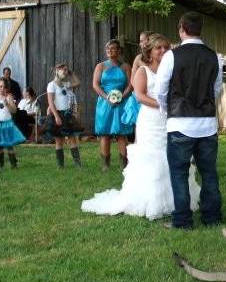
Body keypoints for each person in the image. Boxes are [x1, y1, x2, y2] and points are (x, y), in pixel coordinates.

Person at [82, 34, 200, 220]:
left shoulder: (172, 69)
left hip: (171, 120)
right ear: (150, 51)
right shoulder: (142, 71)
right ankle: (149, 199)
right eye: (158, 48)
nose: (163, 51)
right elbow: (139, 96)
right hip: (151, 120)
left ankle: (178, 199)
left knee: (174, 154)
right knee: (152, 156)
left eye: (166, 47)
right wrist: (165, 106)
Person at [156, 12, 223, 229]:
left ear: (181, 28)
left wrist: (168, 111)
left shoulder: (171, 56)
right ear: (200, 28)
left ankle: (183, 220)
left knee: (179, 173)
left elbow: (160, 90)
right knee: (209, 172)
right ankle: (212, 217)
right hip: (207, 123)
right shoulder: (215, 56)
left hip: (180, 123)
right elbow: (217, 89)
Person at [92, 39, 133, 171]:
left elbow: (131, 84)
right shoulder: (101, 66)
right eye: (107, 48)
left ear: (119, 51)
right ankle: (105, 164)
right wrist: (106, 97)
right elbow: (96, 84)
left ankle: (124, 163)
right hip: (105, 103)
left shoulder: (126, 66)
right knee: (105, 133)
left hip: (122, 102)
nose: (109, 50)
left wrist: (122, 96)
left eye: (113, 48)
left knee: (121, 133)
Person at [47, 63, 83, 168]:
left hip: (67, 114)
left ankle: (78, 164)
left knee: (72, 138)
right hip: (57, 114)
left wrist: (72, 73)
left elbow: (77, 83)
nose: (65, 72)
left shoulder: (65, 84)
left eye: (67, 70)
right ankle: (60, 165)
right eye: (63, 70)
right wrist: (57, 116)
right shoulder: (51, 85)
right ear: (57, 71)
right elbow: (51, 102)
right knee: (59, 140)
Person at [121, 31, 155, 129]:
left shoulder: (162, 55)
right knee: (141, 128)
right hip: (142, 95)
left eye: (141, 41)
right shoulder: (139, 58)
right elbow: (132, 80)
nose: (140, 44)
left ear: (149, 41)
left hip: (157, 94)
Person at [0, 78, 25, 168]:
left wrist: (7, 104)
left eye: (4, 87)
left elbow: (14, 111)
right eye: (0, 86)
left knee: (9, 145)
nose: (2, 89)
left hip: (7, 124)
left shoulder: (9, 97)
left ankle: (14, 165)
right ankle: (0, 165)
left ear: (7, 88)